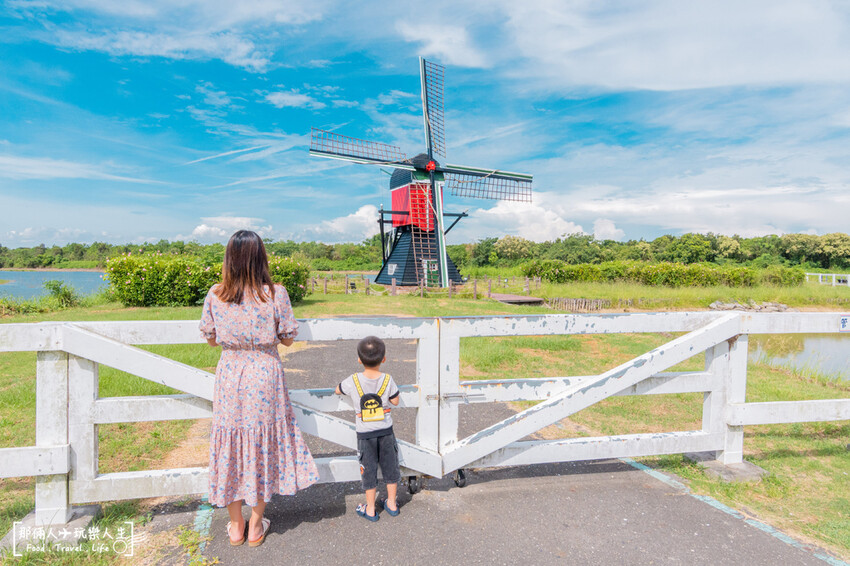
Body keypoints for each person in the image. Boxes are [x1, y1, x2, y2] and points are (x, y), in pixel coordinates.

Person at [199, 230, 319, 547]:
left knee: (231, 444)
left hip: (230, 375)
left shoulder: (216, 294)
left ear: (230, 259)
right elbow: (289, 336)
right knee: (261, 444)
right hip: (265, 374)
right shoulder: (275, 294)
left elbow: (210, 337)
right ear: (260, 257)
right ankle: (256, 525)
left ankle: (235, 526)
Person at [335, 336, 401, 521]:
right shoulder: (388, 379)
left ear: (359, 359)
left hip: (365, 435)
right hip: (386, 432)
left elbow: (338, 390)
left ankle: (370, 508)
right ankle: (392, 503)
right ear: (384, 359)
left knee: (368, 469)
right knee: (390, 468)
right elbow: (395, 400)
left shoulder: (353, 380)